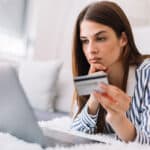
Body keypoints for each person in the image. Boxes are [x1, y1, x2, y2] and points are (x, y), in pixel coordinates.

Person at [71, 1, 150, 144]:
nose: (91, 50)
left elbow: (147, 142)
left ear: (123, 39)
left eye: (100, 38)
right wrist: (94, 98)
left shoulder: (147, 75)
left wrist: (117, 118)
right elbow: (75, 133)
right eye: (85, 41)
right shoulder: (89, 75)